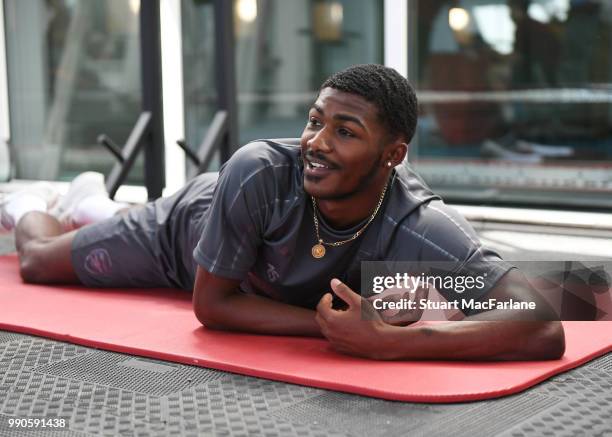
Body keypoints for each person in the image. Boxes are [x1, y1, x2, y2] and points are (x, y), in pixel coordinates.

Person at [0, 64, 564, 361]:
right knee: (38, 263)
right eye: (315, 120)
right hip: (183, 237)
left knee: (96, 226)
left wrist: (400, 342)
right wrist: (343, 331)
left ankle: (92, 204)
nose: (316, 142)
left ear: (393, 155)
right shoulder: (258, 170)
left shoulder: (418, 225)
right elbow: (212, 305)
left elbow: (542, 326)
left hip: (258, 279)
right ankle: (34, 201)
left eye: (345, 132)